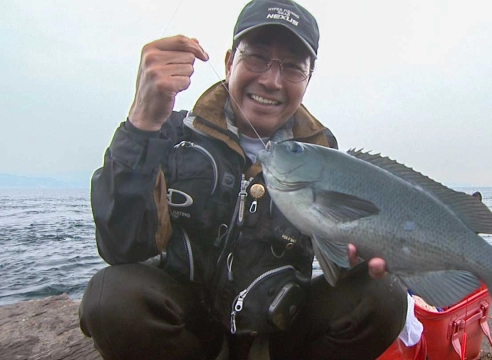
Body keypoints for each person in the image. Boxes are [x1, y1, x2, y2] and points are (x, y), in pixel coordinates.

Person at [79, 1, 408, 359]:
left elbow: (337, 258)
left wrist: (362, 257)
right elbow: (119, 248)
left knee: (384, 297)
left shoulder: (324, 156)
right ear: (228, 62)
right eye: (257, 57)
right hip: (192, 333)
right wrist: (141, 125)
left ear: (308, 79)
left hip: (281, 333)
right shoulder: (168, 133)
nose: (271, 80)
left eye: (293, 67)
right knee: (111, 297)